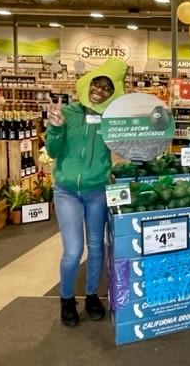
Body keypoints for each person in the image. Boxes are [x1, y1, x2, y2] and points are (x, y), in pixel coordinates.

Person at [45, 58, 127, 327]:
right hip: (66, 190)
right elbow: (53, 152)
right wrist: (55, 128)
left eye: (107, 88)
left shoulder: (112, 120)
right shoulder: (67, 113)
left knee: (95, 248)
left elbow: (126, 146)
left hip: (97, 191)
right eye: (97, 84)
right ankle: (67, 299)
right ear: (88, 83)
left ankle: (92, 295)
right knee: (73, 251)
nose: (100, 91)